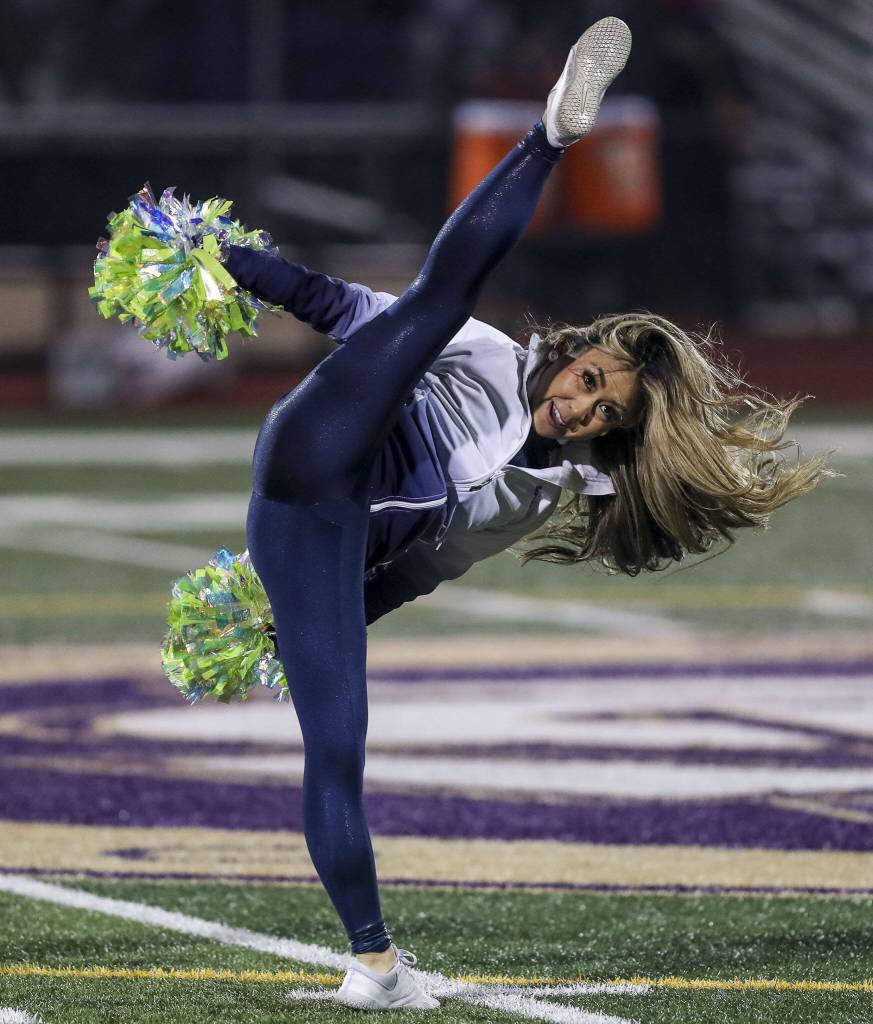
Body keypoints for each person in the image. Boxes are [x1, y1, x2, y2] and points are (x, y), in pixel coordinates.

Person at [217, 17, 821, 1011]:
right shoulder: (496, 356)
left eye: (602, 410)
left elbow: (422, 565)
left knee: (338, 741)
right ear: (574, 350)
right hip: (329, 431)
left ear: (612, 436)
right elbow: (334, 305)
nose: (576, 401)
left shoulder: (548, 490)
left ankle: (374, 964)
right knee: (433, 308)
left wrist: (325, 625)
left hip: (314, 534)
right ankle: (550, 136)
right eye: (586, 376)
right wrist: (229, 259)